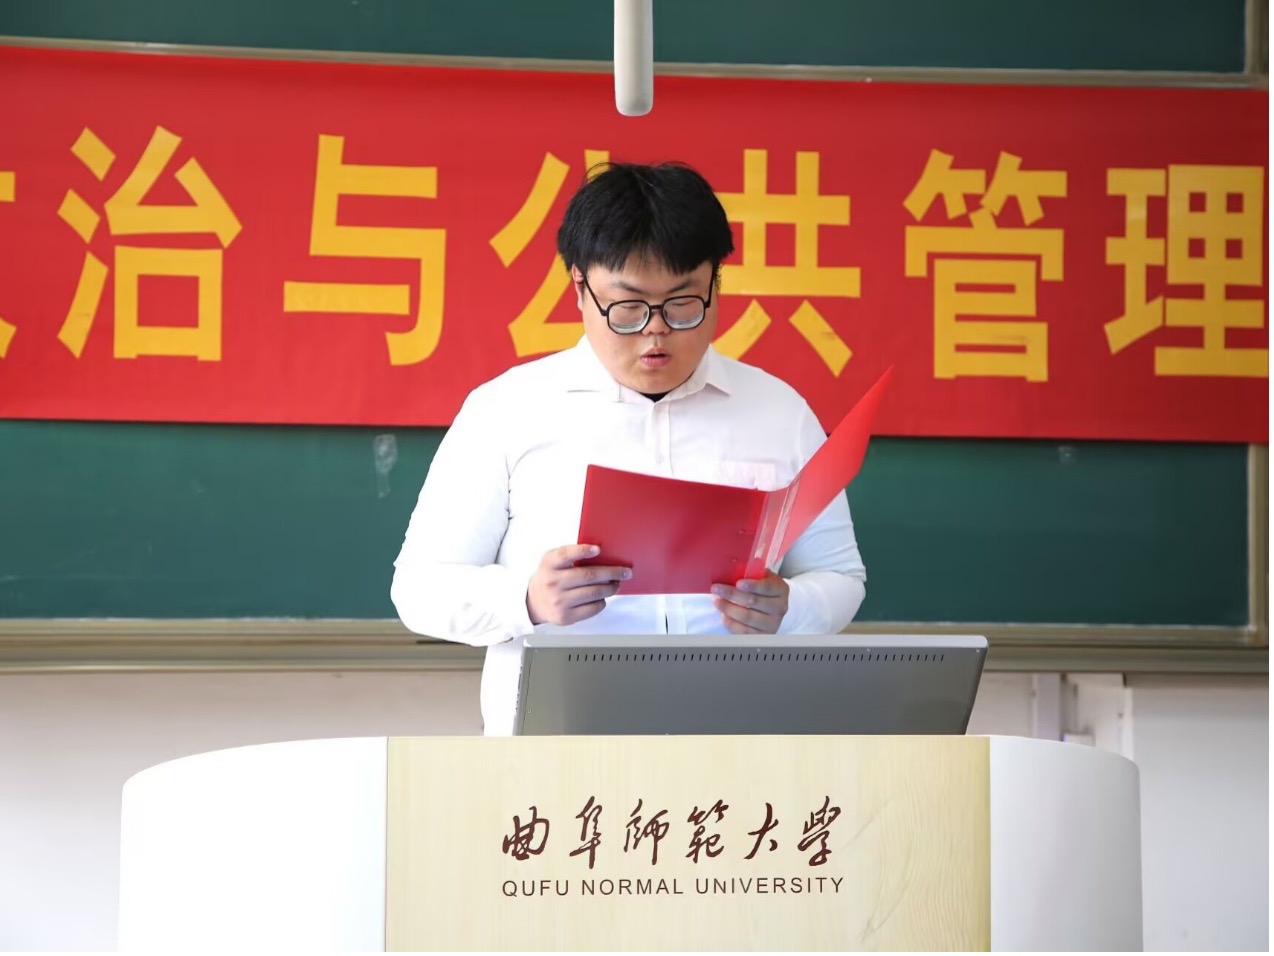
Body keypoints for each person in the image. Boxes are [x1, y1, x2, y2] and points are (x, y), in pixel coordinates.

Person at [391, 161, 866, 735]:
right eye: (629, 307)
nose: (655, 331)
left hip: (739, 742)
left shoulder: (780, 413)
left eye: (683, 303)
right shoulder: (506, 410)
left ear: (716, 283)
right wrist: (528, 599)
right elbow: (419, 589)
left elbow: (840, 576)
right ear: (580, 287)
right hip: (556, 749)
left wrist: (790, 608)